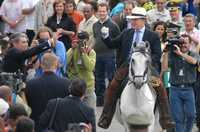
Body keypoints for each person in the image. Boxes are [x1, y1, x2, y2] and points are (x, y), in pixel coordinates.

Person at [98, 7, 175, 129]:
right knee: (112, 86)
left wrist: (146, 60)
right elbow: (112, 44)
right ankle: (105, 118)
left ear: (143, 20)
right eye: (132, 20)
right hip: (126, 66)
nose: (133, 22)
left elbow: (157, 55)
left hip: (146, 67)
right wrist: (105, 36)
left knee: (160, 87)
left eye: (136, 20)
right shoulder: (126, 32)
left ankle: (166, 118)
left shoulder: (153, 35)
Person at [161, 34, 200, 132]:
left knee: (191, 115)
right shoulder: (172, 54)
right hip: (175, 89)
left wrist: (180, 54)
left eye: (185, 43)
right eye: (181, 43)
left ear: (190, 44)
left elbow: (194, 62)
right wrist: (165, 52)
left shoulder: (194, 54)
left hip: (189, 89)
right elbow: (164, 69)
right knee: (177, 118)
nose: (183, 45)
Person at [25, 53, 70, 131]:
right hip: (59, 126)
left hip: (37, 125)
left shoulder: (30, 84)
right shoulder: (66, 83)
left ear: (41, 65)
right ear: (56, 65)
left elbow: (28, 104)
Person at [93, 2, 120, 106]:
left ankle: (111, 99)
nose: (102, 13)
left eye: (104, 11)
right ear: (97, 12)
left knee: (111, 78)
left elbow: (117, 41)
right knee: (98, 78)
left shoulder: (113, 25)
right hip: (98, 55)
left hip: (109, 55)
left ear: (107, 11)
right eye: (100, 11)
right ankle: (100, 99)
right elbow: (96, 38)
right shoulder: (95, 25)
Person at [67, 31, 96, 110]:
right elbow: (64, 62)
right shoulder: (73, 50)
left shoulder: (91, 52)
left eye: (83, 41)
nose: (81, 43)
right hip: (75, 87)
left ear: (87, 40)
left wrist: (84, 54)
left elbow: (90, 67)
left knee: (89, 111)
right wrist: (72, 49)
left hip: (88, 87)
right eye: (79, 40)